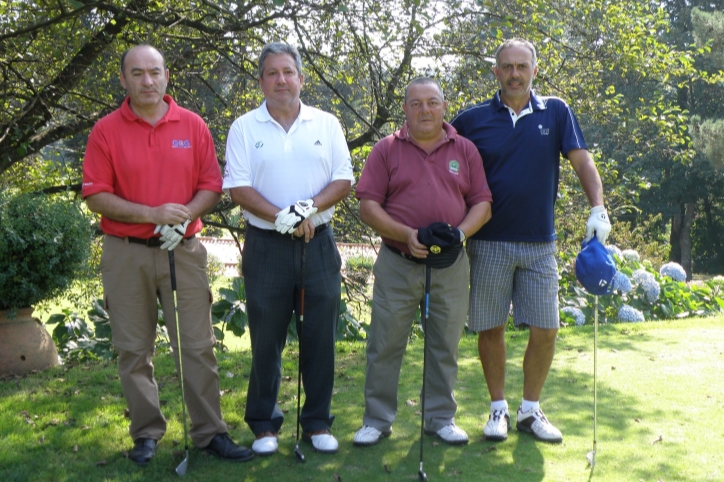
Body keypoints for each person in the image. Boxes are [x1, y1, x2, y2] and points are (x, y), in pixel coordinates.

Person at [82, 45, 253, 465]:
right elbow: (96, 195)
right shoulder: (106, 130)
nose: (147, 81)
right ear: (123, 79)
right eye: (137, 73)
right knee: (133, 349)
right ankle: (146, 434)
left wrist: (185, 216)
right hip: (126, 254)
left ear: (166, 75)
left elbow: (211, 185)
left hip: (185, 250)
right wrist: (152, 214)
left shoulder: (192, 125)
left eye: (154, 72)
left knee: (196, 346)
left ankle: (210, 432)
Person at [450, 38, 612, 443]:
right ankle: (497, 410)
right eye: (507, 66)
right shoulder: (471, 120)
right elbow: (439, 158)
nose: (515, 73)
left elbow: (582, 160)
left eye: (522, 66)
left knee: (547, 328)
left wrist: (598, 207)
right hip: (488, 242)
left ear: (534, 71)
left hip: (540, 243)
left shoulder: (555, 111)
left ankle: (529, 409)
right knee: (490, 328)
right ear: (496, 72)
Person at [223, 42, 354, 456]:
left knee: (320, 335)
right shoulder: (244, 127)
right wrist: (283, 216)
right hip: (266, 244)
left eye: (288, 72)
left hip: (318, 241)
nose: (281, 80)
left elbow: (343, 180)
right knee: (266, 337)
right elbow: (238, 187)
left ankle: (317, 422)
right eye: (272, 73)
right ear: (260, 81)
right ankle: (264, 424)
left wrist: (307, 210)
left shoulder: (326, 123)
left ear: (301, 77)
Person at [352, 77, 493, 447]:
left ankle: (440, 418)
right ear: (405, 109)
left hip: (449, 265)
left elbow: (483, 203)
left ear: (444, 107)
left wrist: (460, 234)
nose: (425, 110)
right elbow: (368, 206)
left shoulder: (465, 150)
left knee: (444, 345)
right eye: (416, 104)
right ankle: (377, 420)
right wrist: (405, 234)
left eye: (432, 102)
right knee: (384, 344)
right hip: (398, 263)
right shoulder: (386, 150)